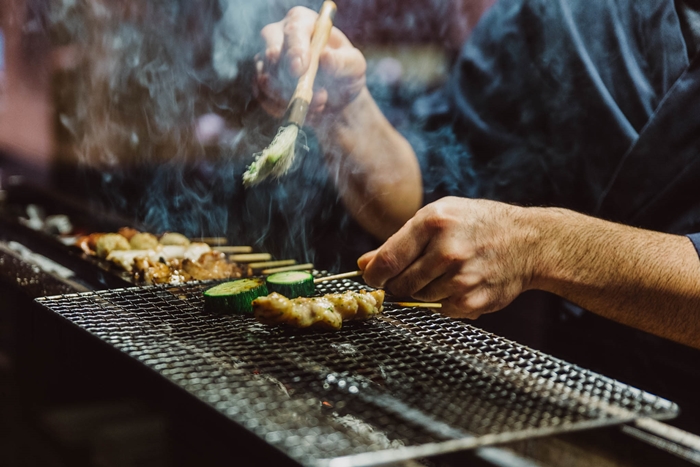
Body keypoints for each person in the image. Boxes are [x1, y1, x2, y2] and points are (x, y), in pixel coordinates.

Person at [253, 0, 700, 349]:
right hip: (562, 397)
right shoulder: (560, 11)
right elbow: (431, 197)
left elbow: (529, 241)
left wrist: (542, 246)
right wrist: (342, 109)